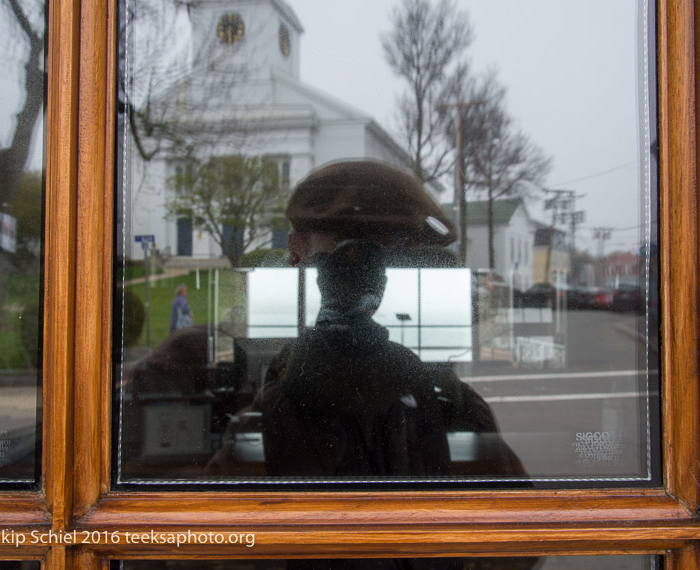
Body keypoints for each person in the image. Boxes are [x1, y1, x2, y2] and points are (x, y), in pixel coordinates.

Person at [208, 159, 528, 481]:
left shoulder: (451, 409)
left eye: (381, 250)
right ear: (295, 251)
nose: (358, 265)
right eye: (347, 245)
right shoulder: (449, 407)